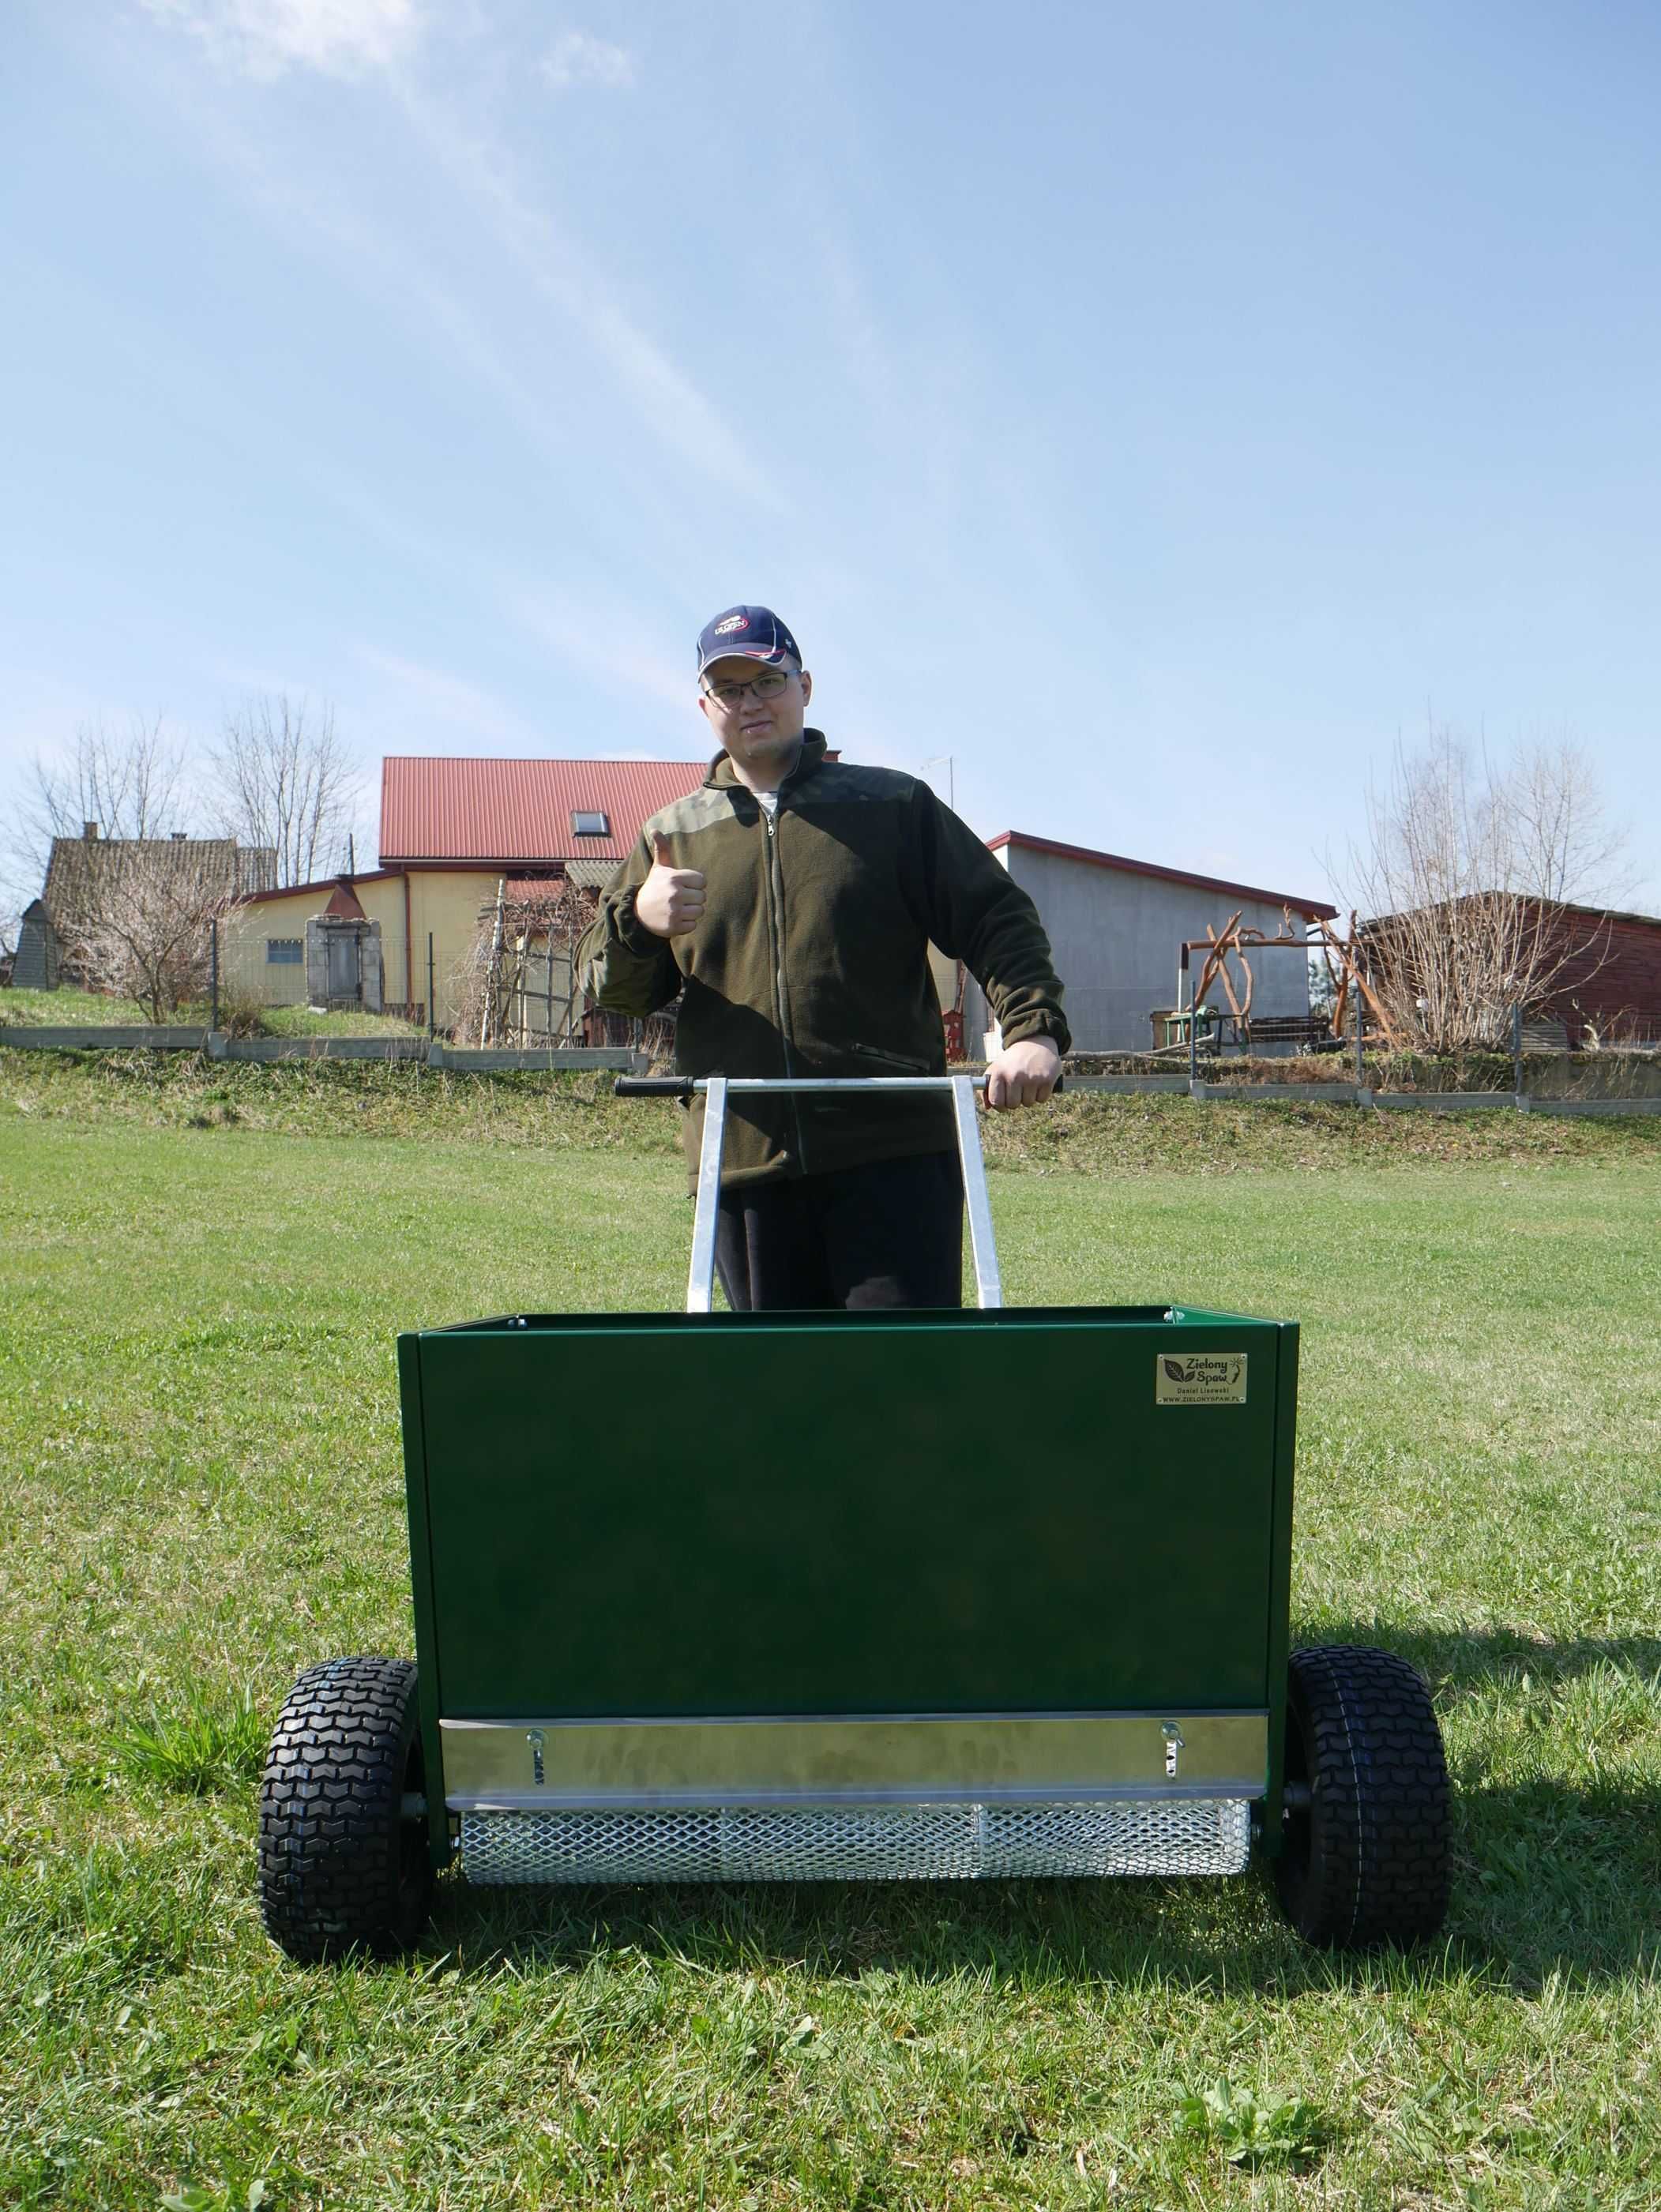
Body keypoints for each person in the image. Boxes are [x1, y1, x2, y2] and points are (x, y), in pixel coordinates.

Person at [578, 604, 1069, 1311]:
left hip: (894, 1155)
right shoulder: (672, 837)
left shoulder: (891, 807)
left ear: (805, 686)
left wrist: (1032, 1031)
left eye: (767, 680)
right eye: (729, 689)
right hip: (742, 1161)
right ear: (703, 706)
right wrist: (638, 922)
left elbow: (997, 915)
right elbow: (616, 992)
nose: (750, 702)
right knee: (777, 1400)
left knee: (902, 1395)